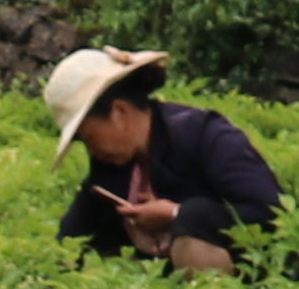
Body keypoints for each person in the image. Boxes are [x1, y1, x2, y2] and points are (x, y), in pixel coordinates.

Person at [49, 46, 282, 275]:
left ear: (119, 113)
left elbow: (270, 213)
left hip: (252, 281)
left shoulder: (206, 135)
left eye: (89, 137)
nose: (92, 150)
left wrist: (177, 215)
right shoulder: (109, 169)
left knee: (194, 218)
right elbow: (70, 241)